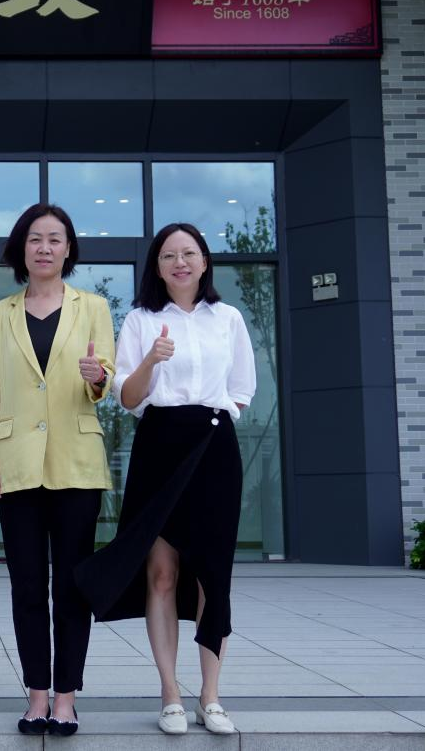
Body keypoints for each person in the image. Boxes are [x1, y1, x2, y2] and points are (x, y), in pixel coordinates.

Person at [75, 223, 255, 736]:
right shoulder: (140, 319)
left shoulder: (228, 318)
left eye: (189, 253)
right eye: (169, 255)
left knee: (213, 575)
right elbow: (128, 398)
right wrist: (152, 360)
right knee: (161, 572)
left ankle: (211, 697)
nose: (180, 262)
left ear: (204, 262)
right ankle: (170, 693)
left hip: (213, 448)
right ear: (156, 265)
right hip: (159, 444)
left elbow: (241, 389)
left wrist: (211, 421)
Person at [0, 203, 115, 737]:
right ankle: (36, 695)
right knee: (27, 586)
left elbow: (104, 382)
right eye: (35, 238)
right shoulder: (0, 314)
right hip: (15, 465)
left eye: (55, 239)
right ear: (21, 247)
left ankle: (66, 698)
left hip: (76, 464)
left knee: (73, 587)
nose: (45, 248)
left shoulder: (93, 307)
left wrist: (97, 376)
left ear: (68, 249)